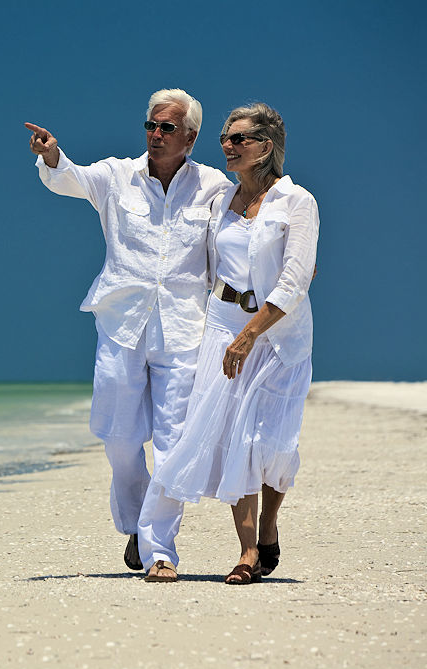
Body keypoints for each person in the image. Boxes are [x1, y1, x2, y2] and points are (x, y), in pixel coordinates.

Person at [25, 89, 231, 574]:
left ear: (191, 137)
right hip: (121, 321)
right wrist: (52, 154)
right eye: (151, 126)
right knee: (118, 433)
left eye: (167, 128)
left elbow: (230, 248)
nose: (156, 135)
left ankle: (160, 548)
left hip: (186, 326)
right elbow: (69, 177)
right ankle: (138, 522)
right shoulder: (118, 175)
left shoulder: (214, 187)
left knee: (174, 439)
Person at [137, 102, 319, 583]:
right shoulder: (222, 200)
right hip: (222, 324)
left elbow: (296, 279)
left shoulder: (296, 201)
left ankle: (270, 523)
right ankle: (247, 550)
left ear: (266, 147)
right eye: (225, 137)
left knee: (272, 441)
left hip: (279, 334)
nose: (228, 146)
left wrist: (251, 334)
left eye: (239, 138)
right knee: (233, 436)